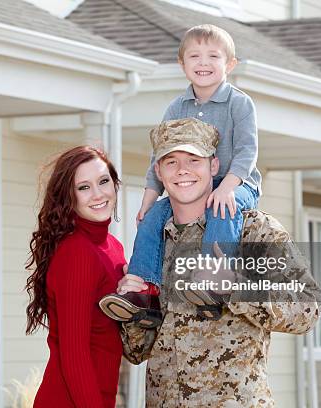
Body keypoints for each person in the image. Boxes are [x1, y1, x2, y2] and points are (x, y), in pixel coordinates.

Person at [104, 118, 321, 406]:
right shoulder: (154, 242)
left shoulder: (252, 230)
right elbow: (136, 352)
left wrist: (235, 287)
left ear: (214, 166)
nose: (183, 170)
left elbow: (307, 309)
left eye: (194, 159)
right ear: (158, 171)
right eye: (171, 161)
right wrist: (133, 314)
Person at [102, 24, 263, 325]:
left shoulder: (239, 103)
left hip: (237, 183)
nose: (203, 63)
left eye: (213, 56)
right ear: (182, 64)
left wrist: (227, 187)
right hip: (190, 187)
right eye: (194, 56)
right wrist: (149, 198)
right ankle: (142, 288)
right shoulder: (177, 107)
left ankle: (214, 282)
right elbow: (159, 156)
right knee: (151, 218)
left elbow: (246, 152)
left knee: (221, 208)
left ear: (230, 64)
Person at [25, 146, 126, 408]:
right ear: (68, 196)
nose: (98, 194)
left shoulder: (113, 247)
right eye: (84, 187)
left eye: (103, 181)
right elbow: (74, 353)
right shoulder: (77, 253)